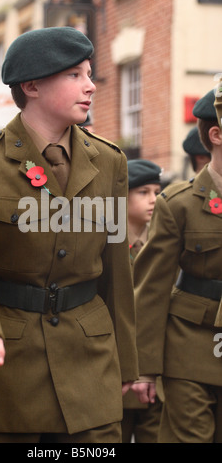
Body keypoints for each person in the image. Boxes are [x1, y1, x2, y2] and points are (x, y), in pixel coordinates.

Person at [0, 27, 138, 443]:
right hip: (5, 372)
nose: (91, 85)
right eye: (75, 75)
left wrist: (128, 368)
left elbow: (118, 271)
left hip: (90, 367)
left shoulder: (111, 162)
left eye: (89, 73)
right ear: (32, 86)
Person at [131, 86, 222, 443]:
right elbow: (151, 288)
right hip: (190, 346)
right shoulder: (179, 204)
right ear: (216, 135)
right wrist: (145, 369)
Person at [122, 159, 163, 443]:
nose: (153, 200)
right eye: (143, 192)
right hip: (117, 378)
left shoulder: (163, 245)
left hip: (156, 379)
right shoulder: (104, 244)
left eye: (157, 192)